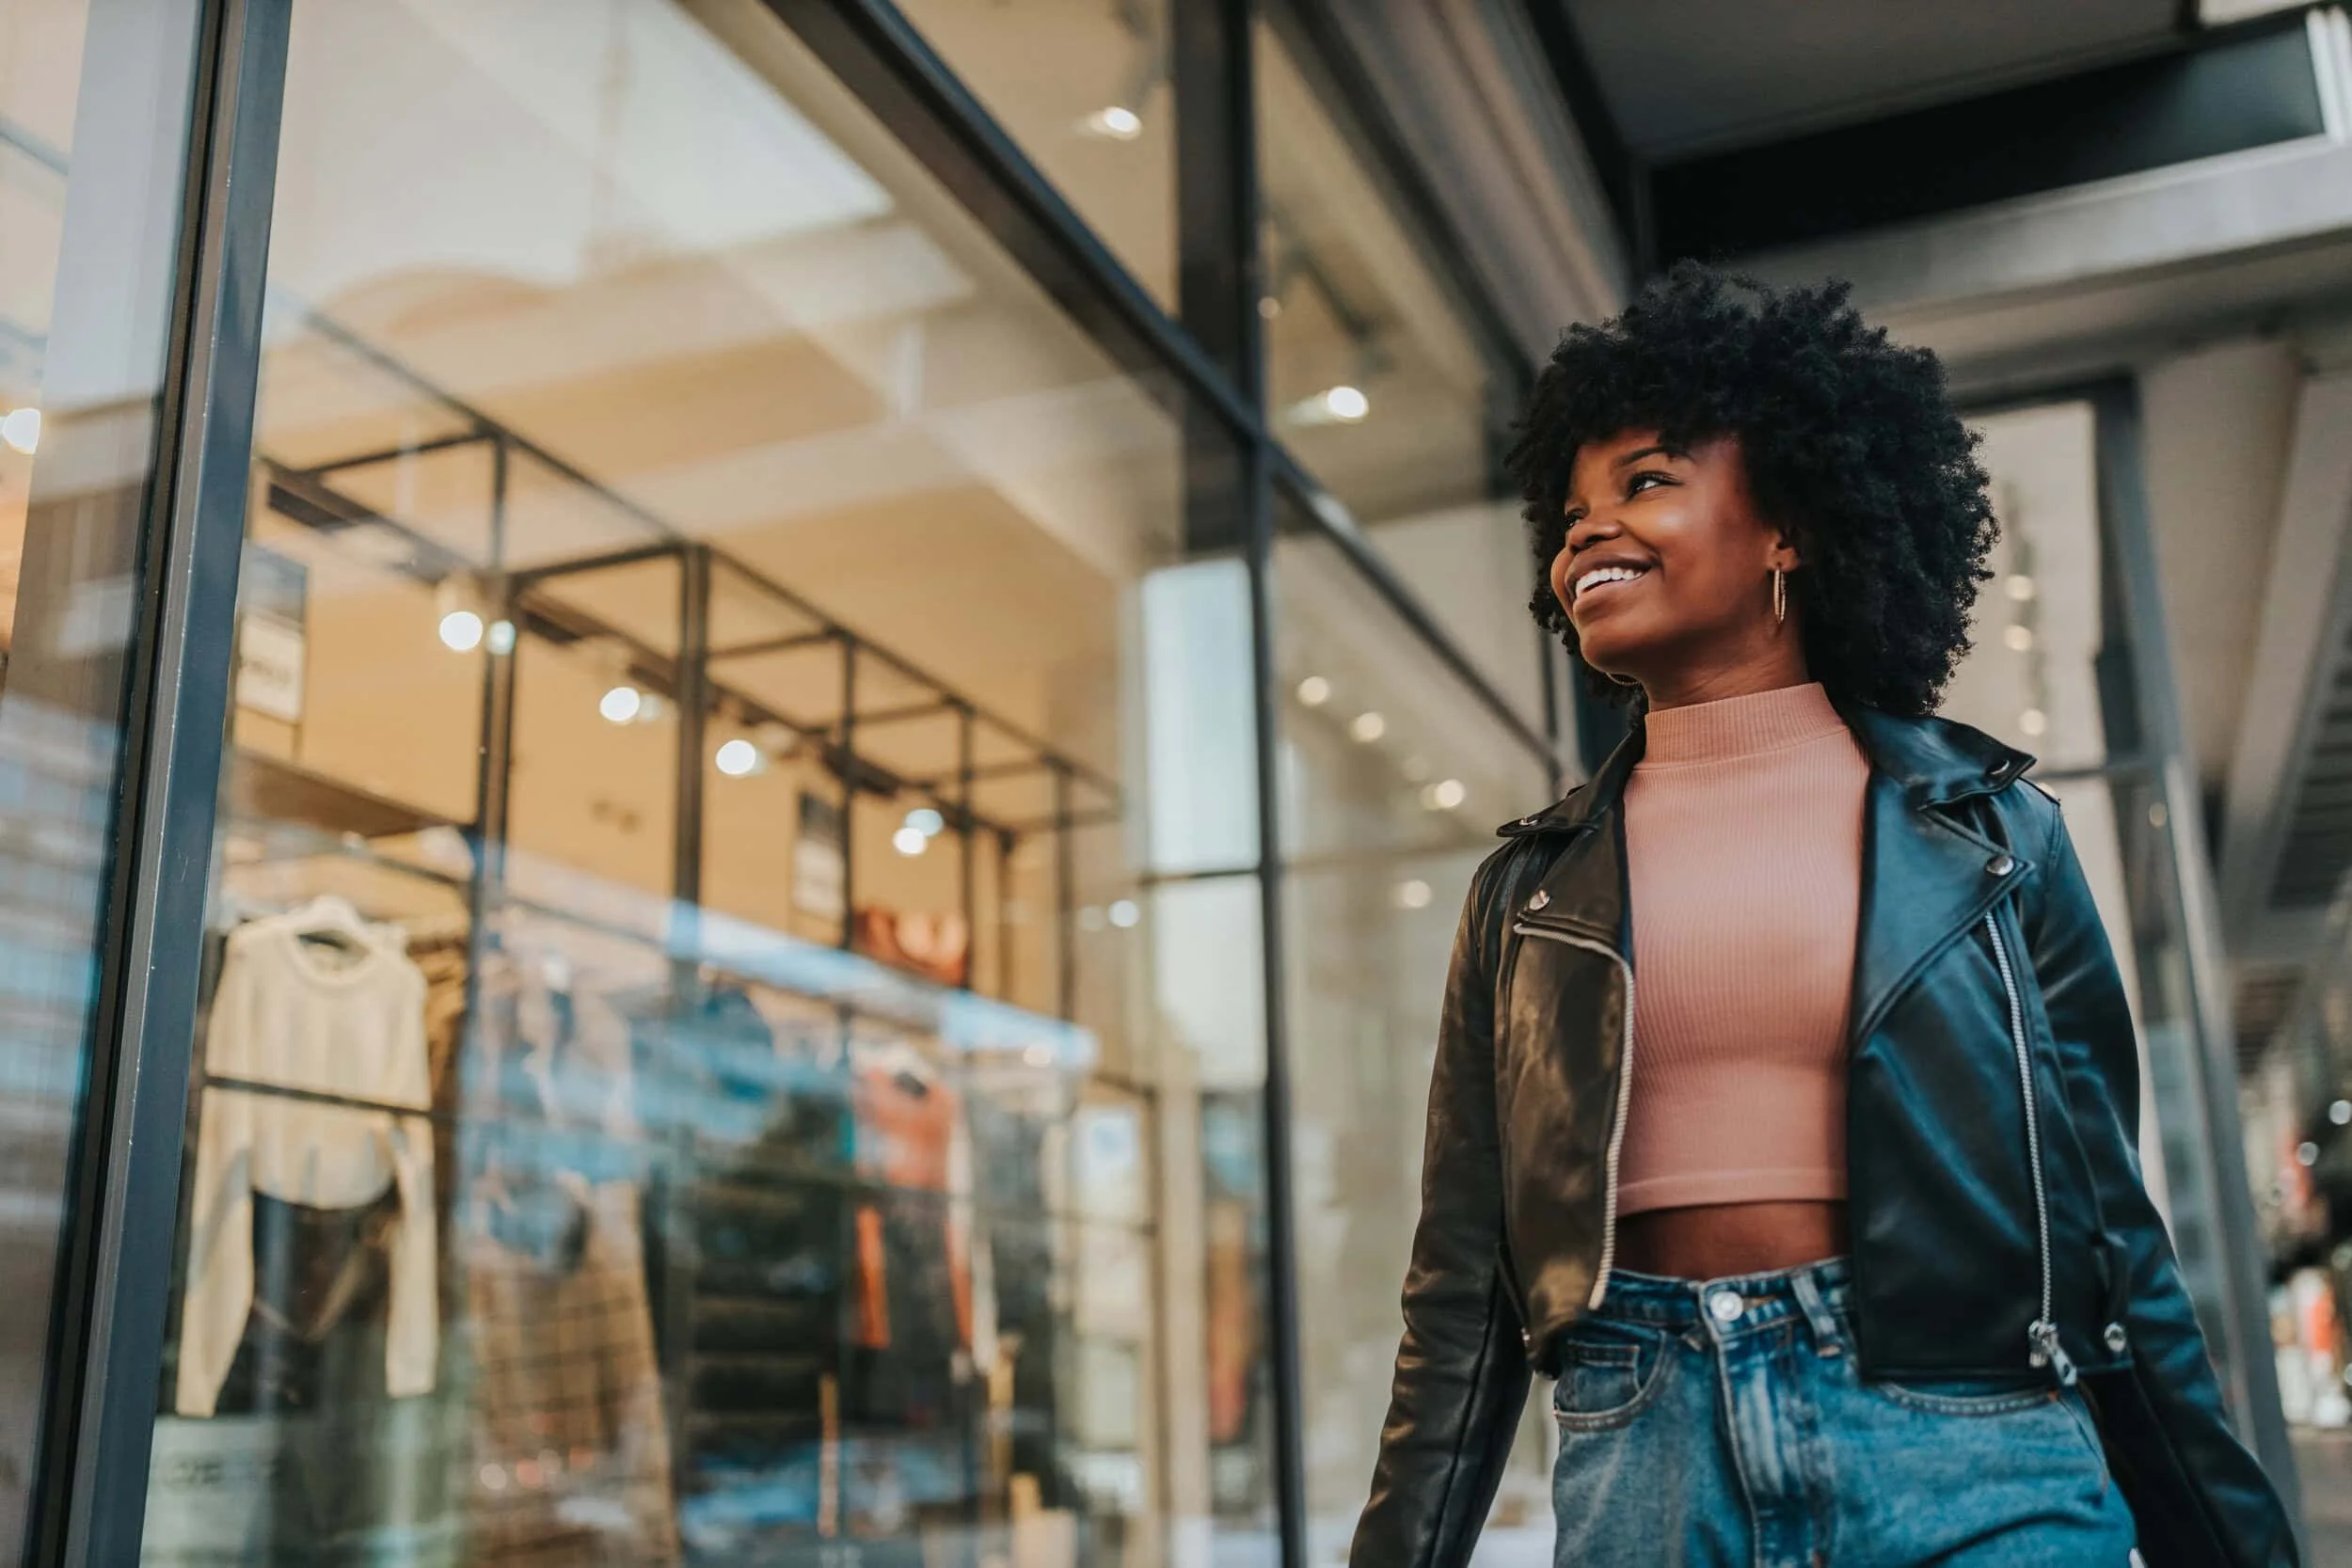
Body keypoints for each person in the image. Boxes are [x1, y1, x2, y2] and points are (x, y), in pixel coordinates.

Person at [1351, 264, 2299, 1567]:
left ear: (1788, 523)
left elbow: (2106, 1232)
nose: (1584, 532)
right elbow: (1463, 1285)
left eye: (1644, 481)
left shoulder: (1992, 836)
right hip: (1647, 1448)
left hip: (1968, 1436)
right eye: (1570, 511)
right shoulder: (1525, 893)